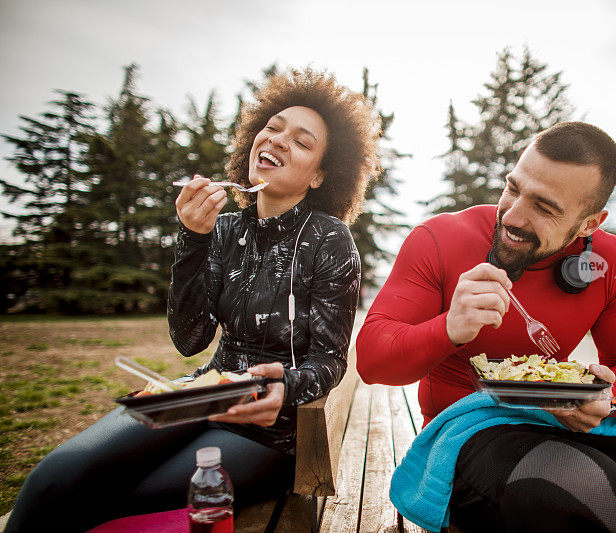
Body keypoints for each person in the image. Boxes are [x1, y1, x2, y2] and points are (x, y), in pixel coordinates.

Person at [6, 67, 381, 533]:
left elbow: (329, 361)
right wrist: (192, 238)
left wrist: (286, 385)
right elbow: (190, 339)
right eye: (273, 127)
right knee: (52, 479)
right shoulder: (222, 229)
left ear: (322, 175)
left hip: (271, 432)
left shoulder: (332, 240)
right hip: (201, 394)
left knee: (107, 500)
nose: (279, 140)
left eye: (302, 142)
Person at [356, 122, 616, 532]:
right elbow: (373, 362)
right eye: (513, 188)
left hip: (559, 424)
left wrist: (606, 398)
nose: (513, 216)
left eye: (544, 207)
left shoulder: (610, 262)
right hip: (466, 436)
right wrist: (449, 327)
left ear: (591, 222)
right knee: (591, 497)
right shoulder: (440, 239)